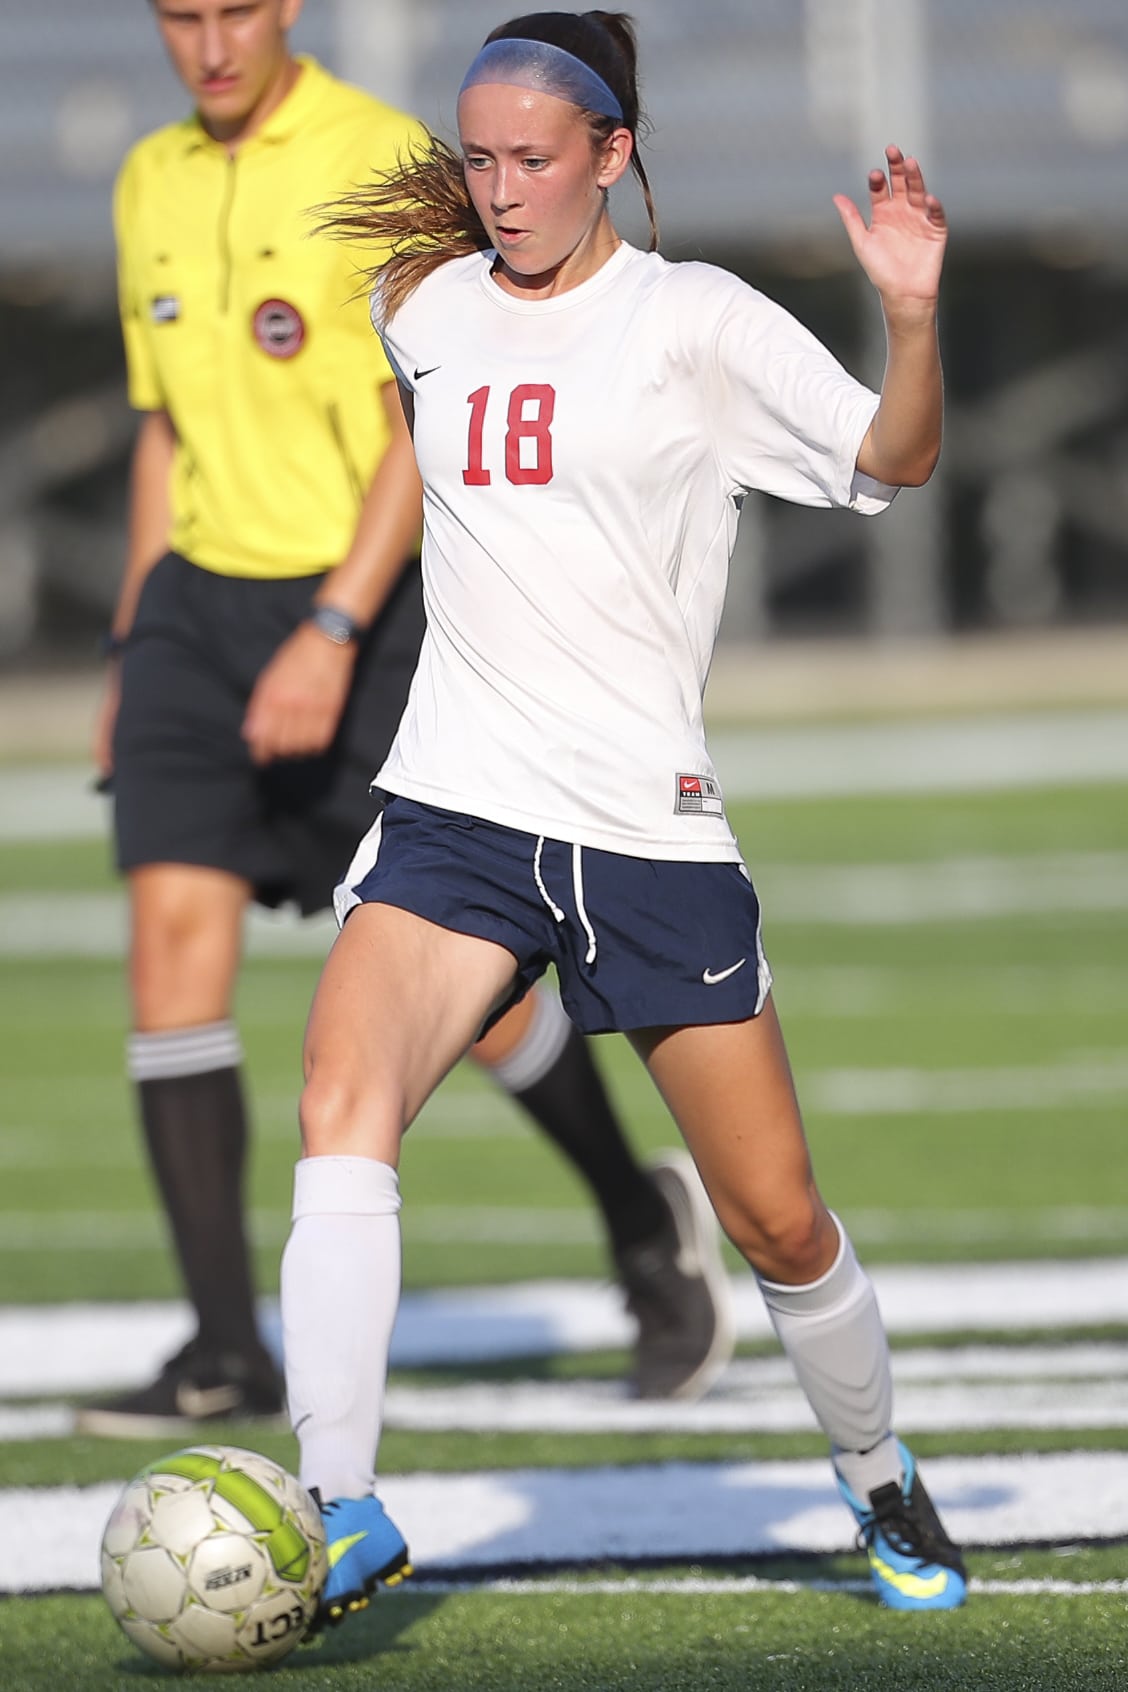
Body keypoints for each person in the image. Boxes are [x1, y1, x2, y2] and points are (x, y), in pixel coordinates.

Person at [278, 6, 967, 1626]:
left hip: (646, 834)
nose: (502, 190)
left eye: (535, 159)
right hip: (457, 807)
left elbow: (895, 461)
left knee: (776, 1219)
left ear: (613, 154)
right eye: (479, 160)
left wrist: (912, 319)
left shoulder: (695, 321)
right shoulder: (418, 302)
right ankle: (339, 1503)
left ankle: (881, 1479)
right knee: (338, 1102)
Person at [76, 0, 734, 1438]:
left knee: (469, 996)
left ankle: (641, 1225)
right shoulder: (148, 178)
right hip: (193, 609)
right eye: (180, 16)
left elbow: (412, 430)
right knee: (171, 948)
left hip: (357, 615)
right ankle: (225, 1347)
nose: (210, 43)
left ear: (286, 9)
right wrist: (134, 647)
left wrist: (329, 633)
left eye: (236, 11)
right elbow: (164, 428)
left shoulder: (381, 164)